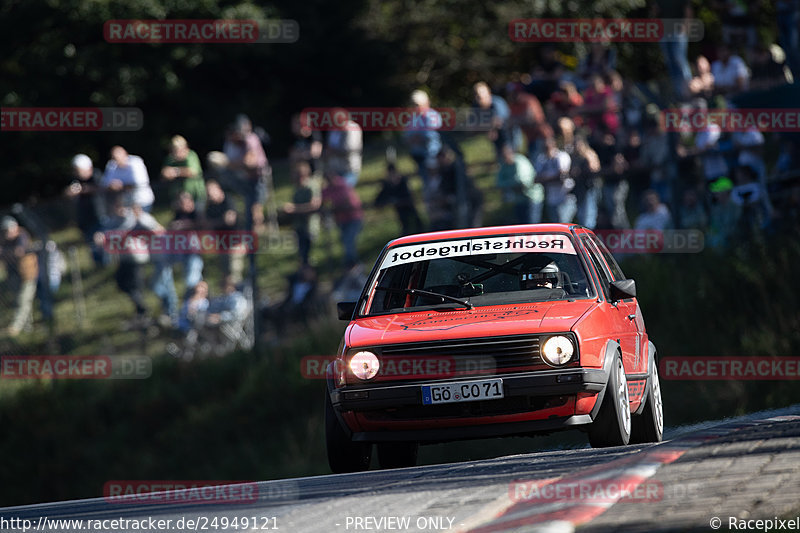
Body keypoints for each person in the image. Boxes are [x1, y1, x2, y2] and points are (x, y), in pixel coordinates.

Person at [223, 114, 270, 230]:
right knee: (251, 208)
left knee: (255, 208)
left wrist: (230, 164)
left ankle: (257, 234)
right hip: (249, 180)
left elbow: (250, 163)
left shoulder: (250, 139)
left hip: (260, 178)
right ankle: (252, 237)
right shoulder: (238, 143)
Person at [65, 153, 107, 267]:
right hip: (84, 219)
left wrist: (82, 190)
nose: (76, 172)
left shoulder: (96, 176)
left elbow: (100, 188)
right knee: (91, 245)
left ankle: (106, 264)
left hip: (98, 215)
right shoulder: (75, 180)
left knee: (99, 241)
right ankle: (99, 266)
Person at [0, 216, 38, 337]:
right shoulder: (5, 240)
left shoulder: (22, 235)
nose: (7, 233)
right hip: (14, 275)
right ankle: (27, 328)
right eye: (5, 230)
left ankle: (16, 327)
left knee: (23, 300)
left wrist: (5, 252)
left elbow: (19, 251)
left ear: (15, 228)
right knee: (20, 301)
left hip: (28, 274)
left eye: (8, 230)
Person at [282, 161, 322, 266]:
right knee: (302, 257)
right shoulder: (297, 189)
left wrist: (294, 209)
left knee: (307, 256)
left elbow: (314, 205)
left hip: (309, 228)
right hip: (299, 227)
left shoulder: (311, 186)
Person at [204, 179, 244, 283]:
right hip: (222, 244)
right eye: (207, 193)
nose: (209, 195)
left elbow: (230, 220)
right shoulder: (210, 207)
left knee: (235, 272)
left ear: (218, 189)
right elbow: (207, 225)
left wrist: (216, 222)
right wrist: (221, 220)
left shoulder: (228, 200)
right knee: (225, 275)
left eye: (211, 192)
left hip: (236, 242)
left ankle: (240, 294)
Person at [322, 169, 363, 267]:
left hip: (353, 218)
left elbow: (347, 201)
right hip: (342, 220)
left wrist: (334, 207)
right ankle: (351, 264)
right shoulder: (327, 189)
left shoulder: (342, 185)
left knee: (349, 241)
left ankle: (352, 264)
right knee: (345, 241)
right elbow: (323, 201)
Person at [403, 90, 442, 187]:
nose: (416, 107)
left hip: (434, 156)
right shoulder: (412, 119)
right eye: (414, 104)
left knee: (438, 182)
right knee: (427, 184)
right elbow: (407, 138)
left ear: (426, 103)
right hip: (419, 157)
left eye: (417, 104)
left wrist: (418, 138)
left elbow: (432, 137)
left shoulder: (433, 116)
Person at [497, 145, 542, 225]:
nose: (504, 159)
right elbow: (499, 182)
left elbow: (521, 181)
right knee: (521, 228)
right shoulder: (504, 164)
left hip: (531, 198)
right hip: (519, 200)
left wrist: (508, 184)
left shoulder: (519, 162)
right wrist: (511, 184)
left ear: (511, 153)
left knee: (532, 227)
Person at [100, 146, 155, 211]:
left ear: (125, 154)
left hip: (142, 200)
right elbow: (104, 183)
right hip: (125, 204)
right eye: (114, 158)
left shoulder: (136, 162)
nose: (117, 160)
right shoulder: (112, 166)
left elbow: (140, 181)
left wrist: (121, 186)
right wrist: (111, 185)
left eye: (119, 156)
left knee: (142, 220)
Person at [507, 83, 552, 160]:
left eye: (515, 92)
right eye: (511, 93)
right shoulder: (513, 105)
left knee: (542, 160)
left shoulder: (529, 100)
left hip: (541, 136)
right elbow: (510, 122)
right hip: (529, 138)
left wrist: (517, 120)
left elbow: (530, 118)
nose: (513, 95)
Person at [374, 163, 422, 236]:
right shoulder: (387, 185)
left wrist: (398, 201)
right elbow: (378, 200)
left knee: (418, 224)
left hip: (409, 207)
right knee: (406, 228)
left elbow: (409, 197)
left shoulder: (403, 181)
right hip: (401, 212)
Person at [161, 135, 206, 211]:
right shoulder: (170, 159)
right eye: (173, 150)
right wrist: (165, 175)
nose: (176, 153)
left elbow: (193, 172)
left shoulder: (191, 156)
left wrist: (176, 172)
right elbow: (164, 175)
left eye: (178, 149)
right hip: (178, 199)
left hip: (196, 196)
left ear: (185, 148)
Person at [534, 137, 574, 223]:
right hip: (551, 198)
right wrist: (550, 177)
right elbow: (536, 178)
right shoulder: (542, 159)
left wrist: (546, 177)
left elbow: (562, 175)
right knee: (555, 225)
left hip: (565, 196)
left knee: (564, 223)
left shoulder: (562, 156)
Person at [473, 81, 511, 161]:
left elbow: (500, 121)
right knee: (501, 160)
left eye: (480, 95)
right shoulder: (477, 106)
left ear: (488, 93)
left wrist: (489, 127)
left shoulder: (497, 103)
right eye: (476, 94)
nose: (478, 97)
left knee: (510, 158)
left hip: (508, 135)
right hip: (496, 138)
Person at [324, 108, 363, 188]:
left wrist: (333, 151)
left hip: (349, 169)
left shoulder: (352, 128)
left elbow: (349, 149)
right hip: (334, 169)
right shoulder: (332, 129)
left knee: (343, 190)